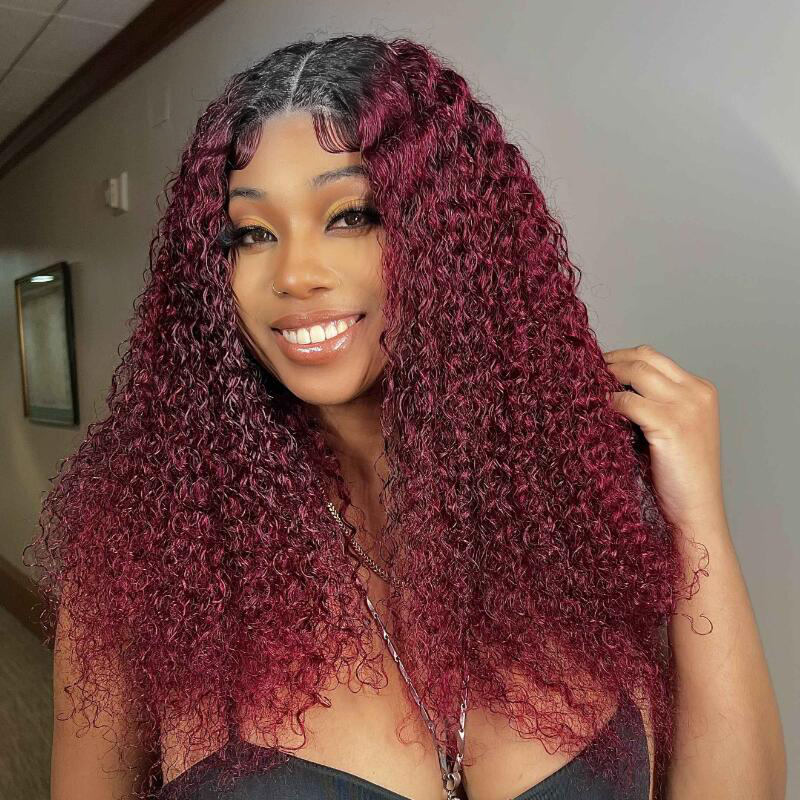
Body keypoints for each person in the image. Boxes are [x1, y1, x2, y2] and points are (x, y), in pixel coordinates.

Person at [33, 33, 784, 800]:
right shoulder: (146, 542)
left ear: (453, 234)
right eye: (252, 233)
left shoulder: (583, 495)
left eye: (351, 215)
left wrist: (699, 519)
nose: (295, 274)